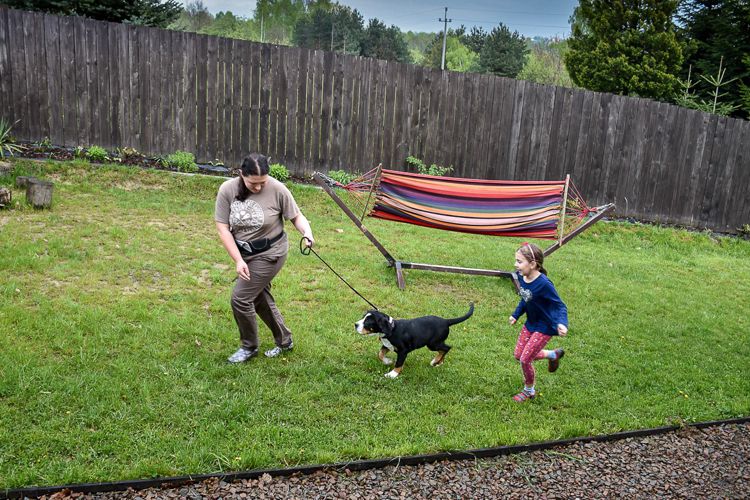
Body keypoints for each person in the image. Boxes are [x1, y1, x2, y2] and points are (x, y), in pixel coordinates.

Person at [215, 153, 314, 363]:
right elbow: (223, 228)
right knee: (259, 298)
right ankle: (285, 340)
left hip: (271, 253)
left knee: (240, 298)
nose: (259, 188)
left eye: (263, 183)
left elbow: (296, 216)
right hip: (244, 253)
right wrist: (238, 260)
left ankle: (248, 347)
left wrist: (307, 233)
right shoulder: (227, 190)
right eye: (253, 183)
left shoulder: (277, 189)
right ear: (242, 174)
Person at [508, 242, 568, 402]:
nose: (516, 264)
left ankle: (529, 390)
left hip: (546, 326)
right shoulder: (522, 277)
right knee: (518, 354)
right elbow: (525, 298)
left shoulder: (544, 284)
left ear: (533, 264)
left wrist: (562, 323)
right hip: (531, 323)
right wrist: (516, 315)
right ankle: (552, 354)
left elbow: (559, 305)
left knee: (525, 359)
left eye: (519, 261)